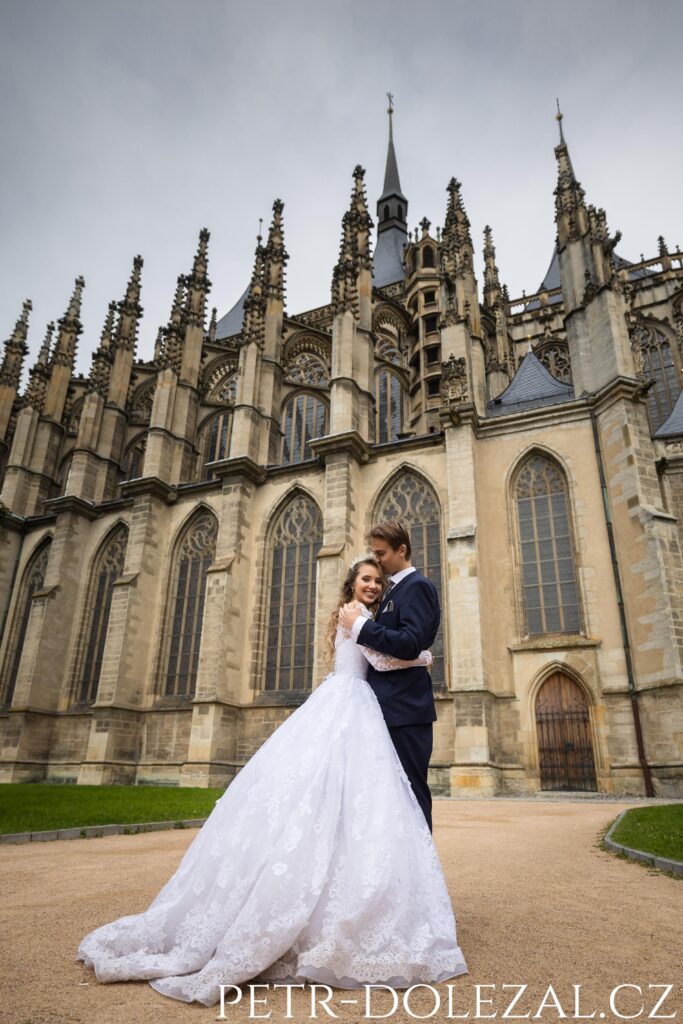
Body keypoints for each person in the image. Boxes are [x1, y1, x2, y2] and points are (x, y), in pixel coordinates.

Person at [76, 557, 467, 1007]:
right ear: (352, 584)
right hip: (352, 706)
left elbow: (366, 657)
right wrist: (422, 655)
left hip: (348, 703)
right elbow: (380, 657)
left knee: (346, 804)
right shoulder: (354, 616)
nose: (374, 585)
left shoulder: (361, 617)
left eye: (378, 580)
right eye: (366, 579)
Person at [339, 521, 439, 832]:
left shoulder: (417, 587)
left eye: (381, 554)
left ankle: (423, 872)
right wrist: (421, 658)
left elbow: (410, 642)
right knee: (390, 795)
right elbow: (401, 651)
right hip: (386, 711)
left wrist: (361, 627)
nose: (377, 559)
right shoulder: (392, 593)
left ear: (402, 550)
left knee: (411, 792)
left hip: (405, 710)